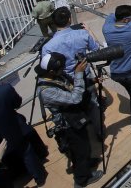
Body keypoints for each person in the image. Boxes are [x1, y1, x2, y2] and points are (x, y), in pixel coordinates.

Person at [35, 53, 104, 188]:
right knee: (80, 150)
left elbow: (71, 85)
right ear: (51, 71)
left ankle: (86, 163)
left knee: (84, 146)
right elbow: (75, 98)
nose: (63, 71)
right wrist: (79, 74)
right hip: (68, 126)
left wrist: (92, 80)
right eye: (60, 69)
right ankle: (82, 179)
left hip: (74, 118)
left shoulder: (54, 77)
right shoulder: (46, 91)